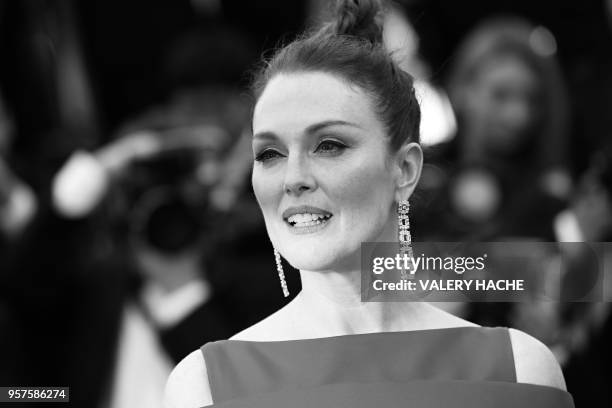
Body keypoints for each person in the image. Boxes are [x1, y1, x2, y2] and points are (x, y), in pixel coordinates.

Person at [164, 1, 574, 407]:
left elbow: (580, 275)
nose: (293, 179)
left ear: (405, 168)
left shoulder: (521, 367)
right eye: (269, 154)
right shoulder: (203, 384)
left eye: (329, 146)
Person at [417, 17, 571, 241]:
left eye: (533, 100)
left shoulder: (550, 198)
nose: (519, 116)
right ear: (462, 90)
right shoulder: (420, 175)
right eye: (501, 95)